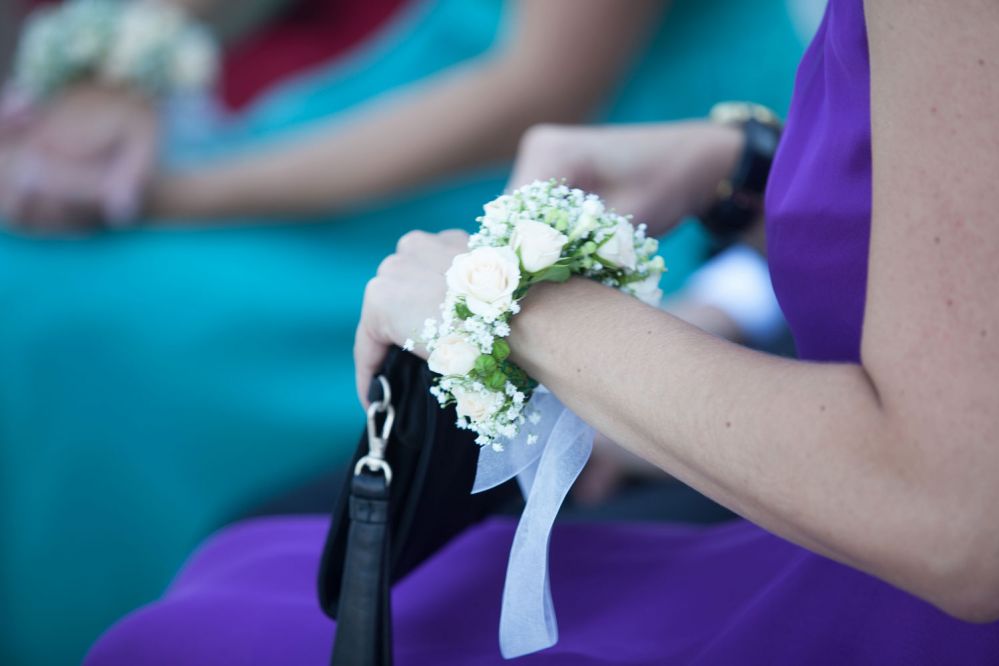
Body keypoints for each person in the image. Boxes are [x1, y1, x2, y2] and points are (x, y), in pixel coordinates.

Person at [85, 0, 999, 663]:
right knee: (244, 563)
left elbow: (952, 520)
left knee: (196, 623)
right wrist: (742, 170)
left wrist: (505, 305)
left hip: (898, 608)